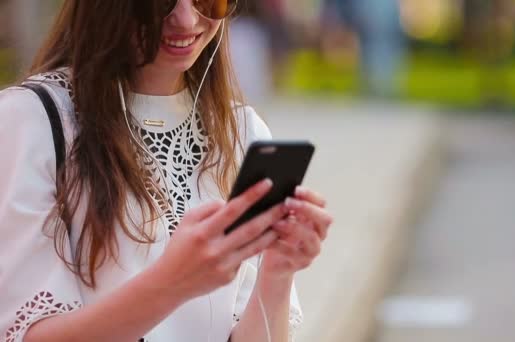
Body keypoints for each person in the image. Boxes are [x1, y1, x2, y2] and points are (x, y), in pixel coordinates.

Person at [0, 0, 333, 341]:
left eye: (207, 0)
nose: (187, 19)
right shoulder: (32, 120)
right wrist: (173, 282)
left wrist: (278, 272)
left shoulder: (242, 131)